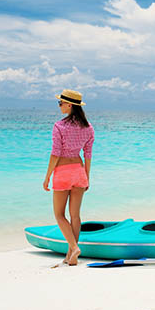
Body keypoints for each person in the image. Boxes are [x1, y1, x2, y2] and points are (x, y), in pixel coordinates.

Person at [43, 89, 94, 266]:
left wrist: (47, 176)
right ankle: (71, 255)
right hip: (79, 172)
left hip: (63, 172)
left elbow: (55, 153)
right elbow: (88, 155)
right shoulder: (88, 128)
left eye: (61, 103)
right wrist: (87, 177)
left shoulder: (59, 126)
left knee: (59, 215)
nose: (59, 106)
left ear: (69, 105)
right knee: (75, 216)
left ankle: (73, 247)